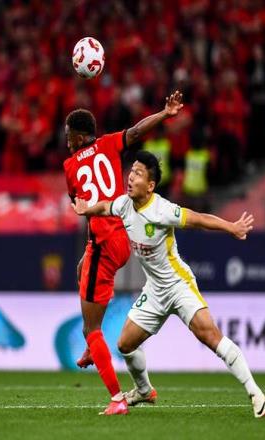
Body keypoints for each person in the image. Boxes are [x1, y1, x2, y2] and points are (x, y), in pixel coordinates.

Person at [71, 150, 265, 418]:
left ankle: (255, 393)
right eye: (131, 172)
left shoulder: (162, 210)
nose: (131, 177)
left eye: (138, 174)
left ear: (150, 185)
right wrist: (86, 209)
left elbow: (198, 218)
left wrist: (231, 227)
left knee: (210, 336)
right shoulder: (124, 204)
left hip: (178, 285)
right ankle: (144, 390)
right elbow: (105, 207)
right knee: (125, 344)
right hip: (154, 290)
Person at [63, 91, 184, 416]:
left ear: (78, 137)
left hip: (103, 243)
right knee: (81, 270)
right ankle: (93, 347)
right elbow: (137, 131)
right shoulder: (108, 144)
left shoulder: (70, 166)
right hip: (121, 239)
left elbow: (82, 204)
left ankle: (117, 398)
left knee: (92, 328)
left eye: (69, 135)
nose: (66, 141)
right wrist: (165, 113)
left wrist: (88, 230)